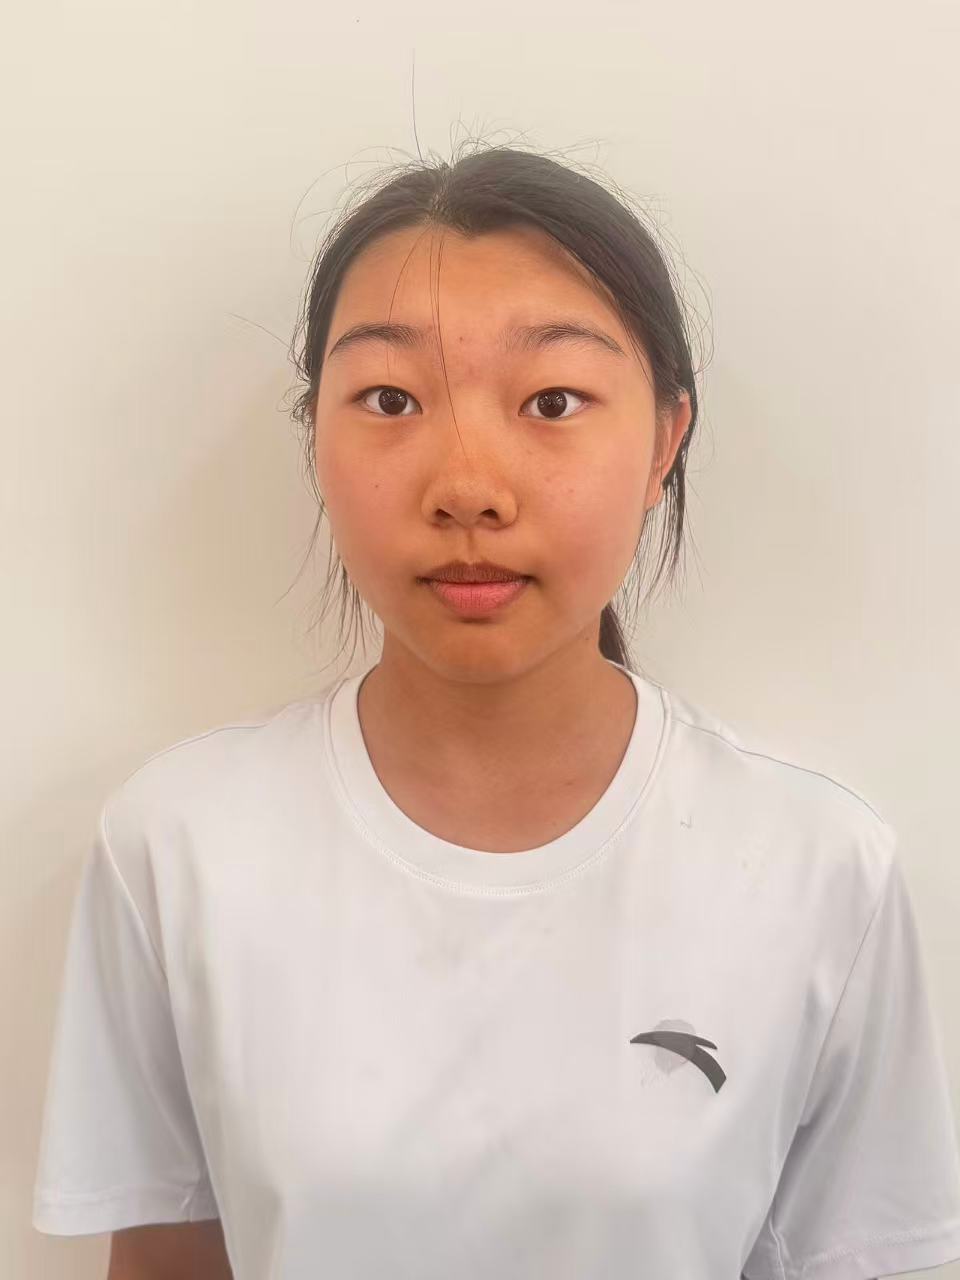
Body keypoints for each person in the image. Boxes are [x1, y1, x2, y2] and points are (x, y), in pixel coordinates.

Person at [31, 142, 960, 1279]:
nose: (468, 484)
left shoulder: (819, 866)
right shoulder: (177, 846)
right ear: (316, 435)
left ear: (665, 439)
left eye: (553, 400)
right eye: (390, 398)